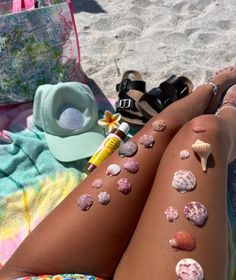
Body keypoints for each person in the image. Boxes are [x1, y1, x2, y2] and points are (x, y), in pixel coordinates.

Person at [0, 66, 236, 280]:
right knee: (205, 132)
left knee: (158, 130)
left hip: (32, 276)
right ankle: (229, 113)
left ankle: (208, 91)